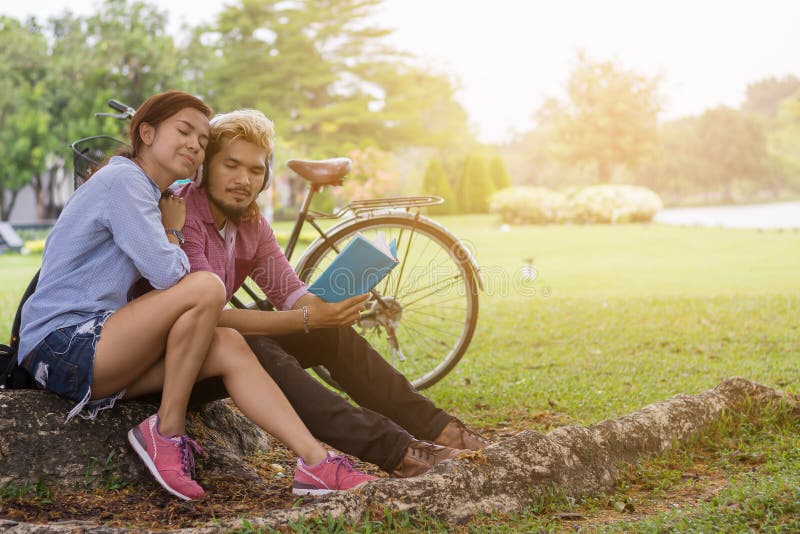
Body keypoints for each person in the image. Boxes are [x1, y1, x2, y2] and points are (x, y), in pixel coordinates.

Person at [18, 91, 375, 502]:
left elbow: (265, 292)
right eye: (183, 131)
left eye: (202, 141)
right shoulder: (125, 180)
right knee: (206, 286)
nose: (194, 145)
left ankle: (317, 464)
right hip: (63, 344)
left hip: (98, 352)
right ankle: (166, 432)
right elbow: (170, 276)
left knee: (227, 345)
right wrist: (173, 229)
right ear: (146, 132)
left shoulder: (154, 194)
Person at [179, 109, 491, 478]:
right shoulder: (183, 215)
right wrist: (306, 317)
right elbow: (208, 316)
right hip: (170, 363)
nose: (243, 180)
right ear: (204, 167)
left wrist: (329, 308)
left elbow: (291, 294)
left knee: (331, 332)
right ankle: (400, 452)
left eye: (255, 171)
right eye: (231, 165)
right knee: (253, 345)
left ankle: (443, 430)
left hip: (214, 350)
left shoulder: (251, 224)